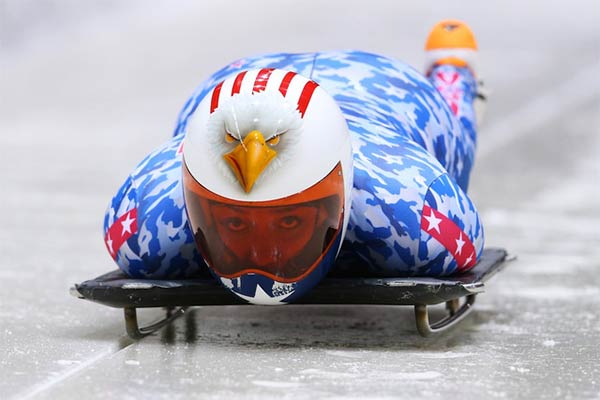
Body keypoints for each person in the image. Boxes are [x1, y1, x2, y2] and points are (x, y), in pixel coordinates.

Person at [103, 20, 485, 304]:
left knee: (454, 141)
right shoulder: (147, 213)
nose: (262, 256)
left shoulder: (414, 209)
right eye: (234, 222)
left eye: (288, 221)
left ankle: (452, 75)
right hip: (227, 90)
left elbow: (468, 240)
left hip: (388, 91)